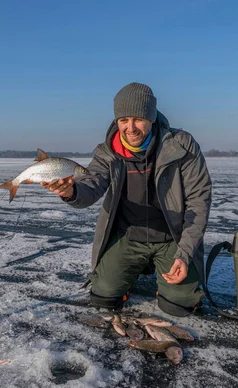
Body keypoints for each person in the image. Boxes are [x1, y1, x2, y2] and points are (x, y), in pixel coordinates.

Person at [42, 82, 212, 317]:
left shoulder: (181, 145)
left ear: (151, 118)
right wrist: (70, 192)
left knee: (180, 305)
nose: (130, 128)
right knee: (103, 297)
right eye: (123, 120)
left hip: (171, 237)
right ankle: (130, 268)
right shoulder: (107, 152)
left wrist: (184, 254)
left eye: (138, 119)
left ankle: (164, 272)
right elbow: (91, 186)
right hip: (128, 236)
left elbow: (198, 203)